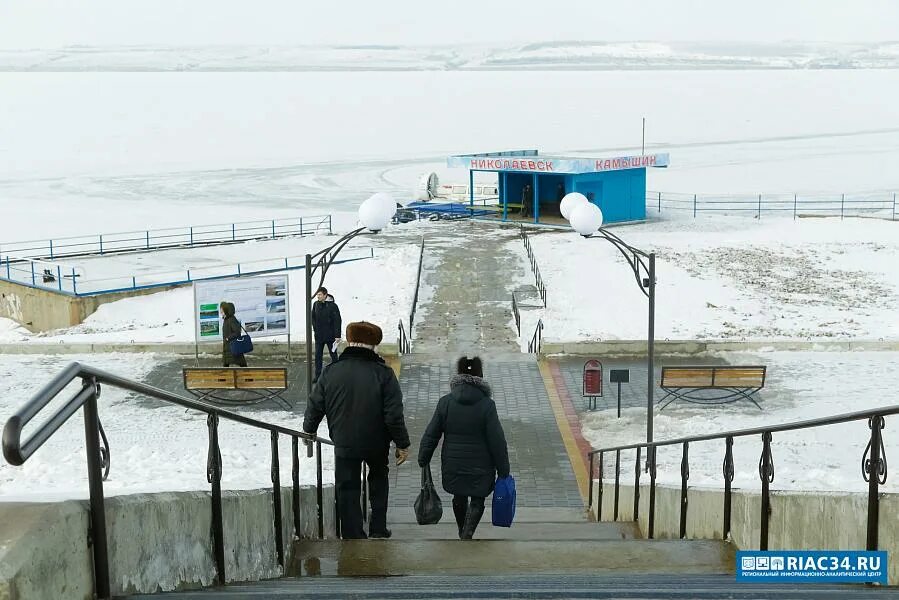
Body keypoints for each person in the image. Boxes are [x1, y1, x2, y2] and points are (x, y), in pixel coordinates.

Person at [303, 321, 411, 539]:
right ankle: (378, 528)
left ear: (349, 342)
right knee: (379, 479)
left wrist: (309, 430)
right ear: (373, 346)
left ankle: (352, 534)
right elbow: (393, 414)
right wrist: (402, 443)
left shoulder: (331, 372)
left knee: (347, 485)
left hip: (344, 440)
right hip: (377, 442)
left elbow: (315, 404)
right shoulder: (384, 374)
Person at [418, 356, 510, 539]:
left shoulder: (446, 402)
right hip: (481, 465)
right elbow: (497, 440)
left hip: (453, 463)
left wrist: (424, 456)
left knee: (458, 496)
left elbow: (432, 433)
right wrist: (503, 469)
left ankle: (462, 531)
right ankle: (467, 534)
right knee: (478, 499)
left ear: (458, 375)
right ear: (481, 377)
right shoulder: (487, 405)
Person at [311, 286, 342, 382]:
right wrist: (315, 329)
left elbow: (337, 321)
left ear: (325, 295)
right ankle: (318, 375)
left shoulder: (333, 306)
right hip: (319, 336)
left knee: (333, 355)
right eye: (317, 295)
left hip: (330, 336)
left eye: (320, 295)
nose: (318, 296)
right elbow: (313, 318)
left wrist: (337, 335)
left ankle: (337, 375)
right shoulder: (316, 304)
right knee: (317, 356)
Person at [220, 301, 247, 367]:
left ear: (226, 310)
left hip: (233, 347)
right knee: (226, 365)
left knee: (242, 364)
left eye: (222, 309)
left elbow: (237, 332)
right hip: (228, 347)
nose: (220, 311)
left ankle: (248, 377)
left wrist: (228, 338)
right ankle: (222, 377)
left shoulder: (231, 319)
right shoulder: (226, 319)